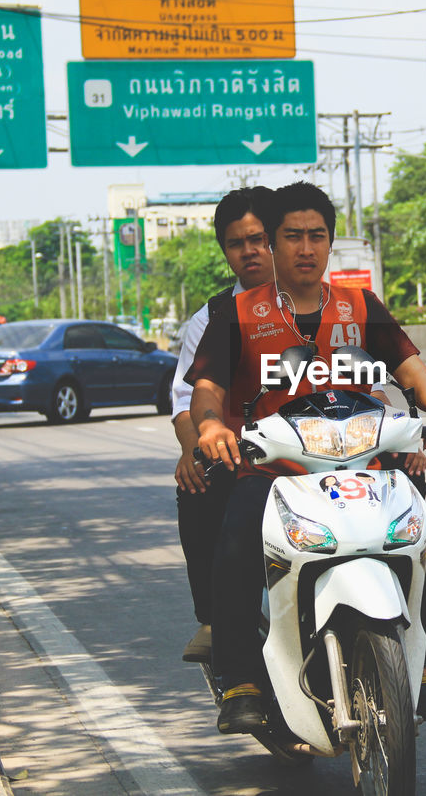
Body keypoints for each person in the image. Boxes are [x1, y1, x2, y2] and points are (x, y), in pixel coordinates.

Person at [188, 181, 426, 734]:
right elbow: (206, 388)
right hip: (275, 470)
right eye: (292, 236)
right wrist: (212, 425)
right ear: (271, 243)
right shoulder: (236, 313)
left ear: (330, 242)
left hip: (363, 462)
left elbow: (414, 374)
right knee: (238, 531)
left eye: (317, 236)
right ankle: (242, 676)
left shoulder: (361, 306)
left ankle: (424, 665)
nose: (305, 248)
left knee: (419, 531)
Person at [172, 186, 278, 664]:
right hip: (246, 453)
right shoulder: (211, 319)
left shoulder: (330, 303)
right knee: (197, 480)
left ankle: (416, 657)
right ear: (225, 251)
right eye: (237, 243)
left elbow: (372, 382)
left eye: (259, 238)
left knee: (408, 482)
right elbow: (184, 397)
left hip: (328, 450)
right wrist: (197, 446)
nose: (250, 251)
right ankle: (216, 620)